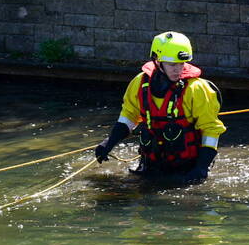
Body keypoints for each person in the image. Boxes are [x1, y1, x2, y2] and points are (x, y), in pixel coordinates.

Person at [94, 31, 225, 185]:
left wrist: (201, 168)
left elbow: (211, 129)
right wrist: (109, 143)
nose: (178, 69)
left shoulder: (196, 89)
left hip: (187, 169)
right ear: (157, 61)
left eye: (181, 64)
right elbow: (129, 116)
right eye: (172, 64)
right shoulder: (140, 84)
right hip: (150, 166)